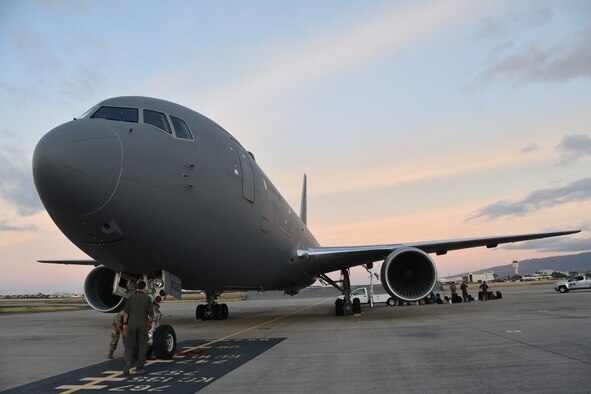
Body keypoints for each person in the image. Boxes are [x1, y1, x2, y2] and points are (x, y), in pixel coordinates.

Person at [122, 281, 154, 375]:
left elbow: (126, 313)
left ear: (137, 287)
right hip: (143, 323)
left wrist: (124, 324)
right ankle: (139, 368)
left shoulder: (131, 297)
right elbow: (151, 315)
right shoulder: (147, 298)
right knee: (142, 346)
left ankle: (127, 361)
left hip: (131, 323)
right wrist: (150, 323)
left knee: (129, 345)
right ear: (144, 288)